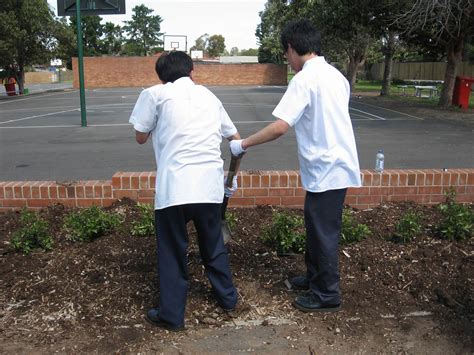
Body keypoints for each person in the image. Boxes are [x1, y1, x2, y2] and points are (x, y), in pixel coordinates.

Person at [230, 20, 361, 313]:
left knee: (323, 232)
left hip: (327, 167)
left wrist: (243, 144)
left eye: (285, 54)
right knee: (317, 227)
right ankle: (315, 278)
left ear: (292, 48)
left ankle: (327, 294)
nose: (286, 61)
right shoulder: (336, 75)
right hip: (334, 165)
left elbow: (280, 127)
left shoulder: (304, 79)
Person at [130, 51, 240, 331]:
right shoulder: (209, 97)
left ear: (162, 77)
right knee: (213, 246)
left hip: (174, 188)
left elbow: (140, 137)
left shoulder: (154, 94)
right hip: (209, 186)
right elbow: (235, 139)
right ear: (192, 72)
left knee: (172, 251)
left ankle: (172, 315)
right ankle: (228, 299)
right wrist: (231, 178)